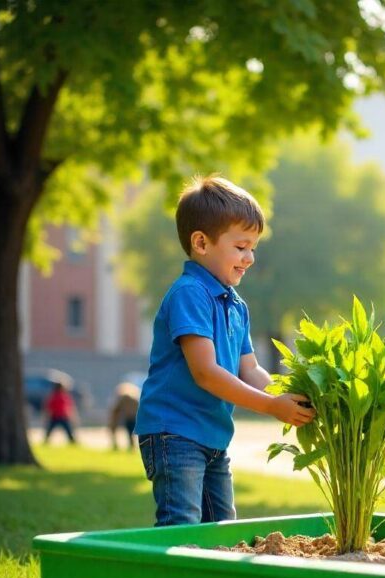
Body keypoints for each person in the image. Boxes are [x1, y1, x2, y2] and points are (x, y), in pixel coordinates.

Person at [135, 175, 314, 527]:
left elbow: (251, 370)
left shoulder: (236, 305)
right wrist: (270, 406)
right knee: (181, 524)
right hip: (175, 433)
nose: (249, 258)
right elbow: (205, 373)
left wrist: (290, 395)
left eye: (253, 248)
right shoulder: (189, 294)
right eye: (241, 246)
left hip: (213, 435)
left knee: (222, 526)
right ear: (201, 243)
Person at [108, 382, 140, 451]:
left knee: (129, 432)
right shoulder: (135, 398)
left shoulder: (123, 397)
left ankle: (130, 446)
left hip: (129, 417)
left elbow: (116, 409)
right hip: (132, 417)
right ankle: (132, 446)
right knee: (130, 433)